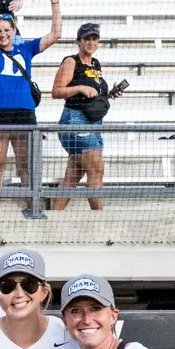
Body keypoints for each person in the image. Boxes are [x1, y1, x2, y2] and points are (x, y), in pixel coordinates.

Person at [0, 0, 64, 209]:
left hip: (23, 112)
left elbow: (55, 34)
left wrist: (55, 3)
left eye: (6, 30)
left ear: (14, 30)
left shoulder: (26, 48)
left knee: (26, 165)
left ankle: (32, 208)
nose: (2, 34)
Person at [51, 22, 116, 211]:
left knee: (73, 176)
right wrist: (79, 87)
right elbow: (56, 92)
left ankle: (54, 218)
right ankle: (99, 217)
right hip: (75, 119)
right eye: (87, 38)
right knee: (96, 167)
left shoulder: (96, 64)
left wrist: (110, 93)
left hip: (94, 122)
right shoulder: (71, 61)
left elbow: (95, 93)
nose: (91, 42)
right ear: (79, 41)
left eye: (94, 39)